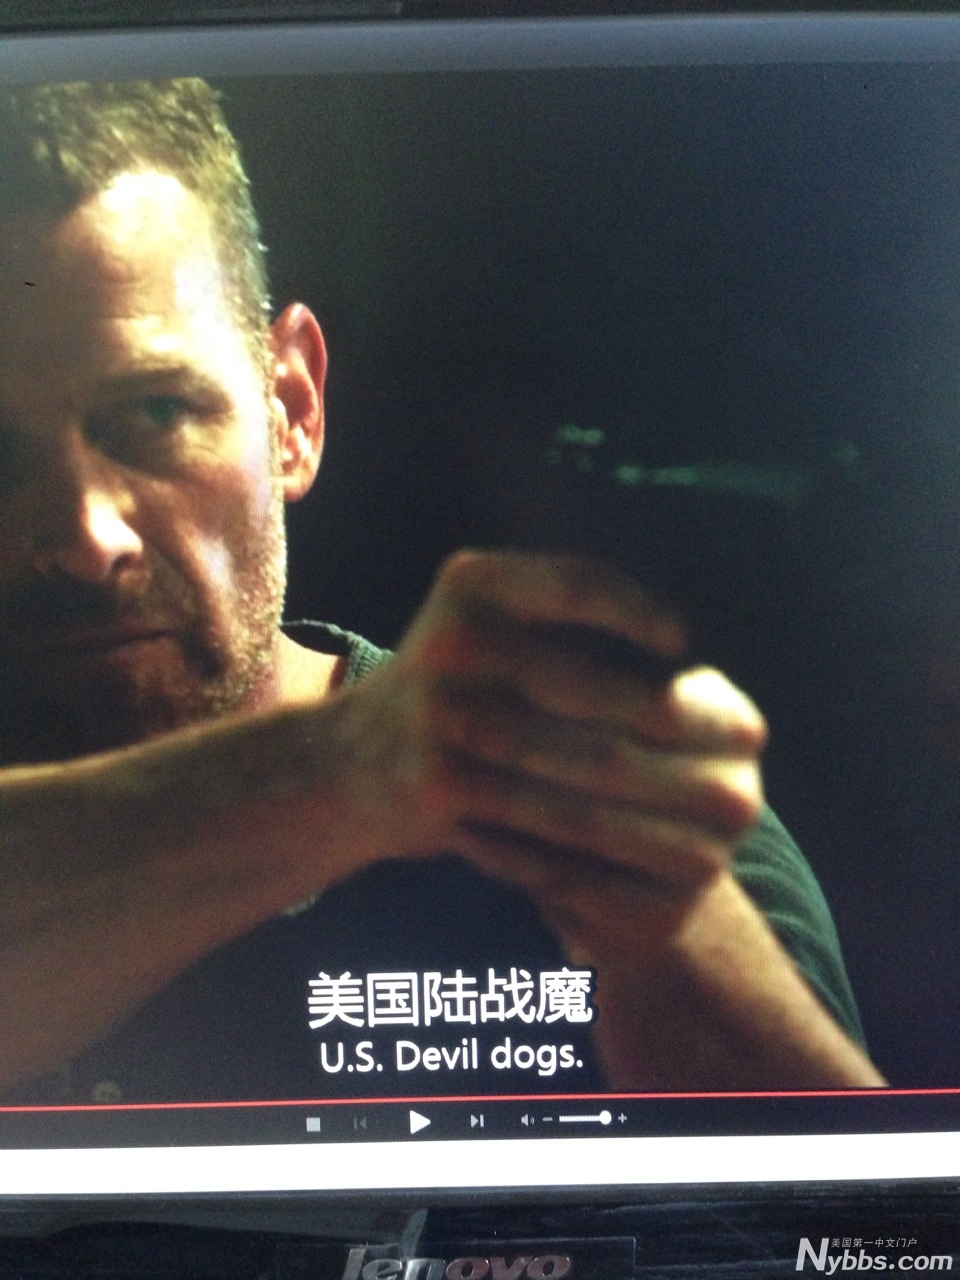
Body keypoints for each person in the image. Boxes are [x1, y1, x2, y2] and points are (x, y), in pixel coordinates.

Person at [0, 79, 882, 1105]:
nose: (87, 537)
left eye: (155, 412)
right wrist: (349, 770)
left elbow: (868, 1201)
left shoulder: (604, 816)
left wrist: (666, 929)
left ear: (292, 409)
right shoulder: (471, 771)